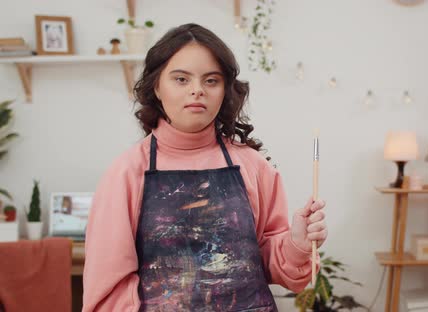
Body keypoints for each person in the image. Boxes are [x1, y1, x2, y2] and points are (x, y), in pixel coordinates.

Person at [82, 23, 327, 312]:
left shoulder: (252, 164)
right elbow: (109, 288)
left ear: (225, 89)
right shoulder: (125, 172)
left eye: (211, 80)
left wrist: (297, 242)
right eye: (181, 79)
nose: (197, 90)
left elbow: (276, 266)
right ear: (157, 86)